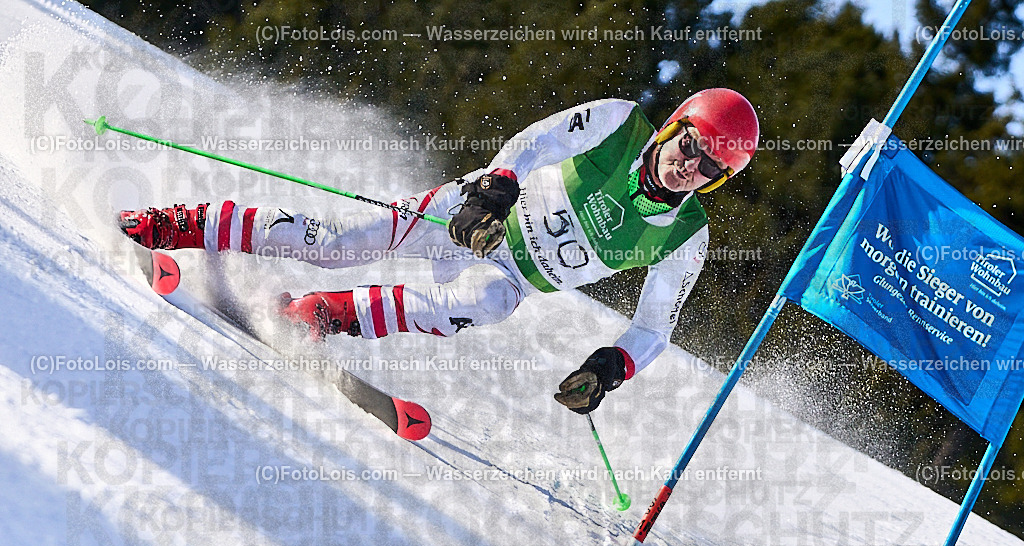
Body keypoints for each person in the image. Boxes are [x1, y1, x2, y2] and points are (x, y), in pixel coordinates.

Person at [119, 88, 759, 414]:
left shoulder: (686, 236)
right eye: (691, 145)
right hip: (470, 215)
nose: (689, 167)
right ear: (675, 126)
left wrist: (610, 368)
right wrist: (496, 191)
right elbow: (531, 143)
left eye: (710, 169)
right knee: (337, 242)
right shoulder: (620, 124)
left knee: (484, 301)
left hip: (508, 274)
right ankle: (182, 224)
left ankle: (315, 315)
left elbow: (654, 326)